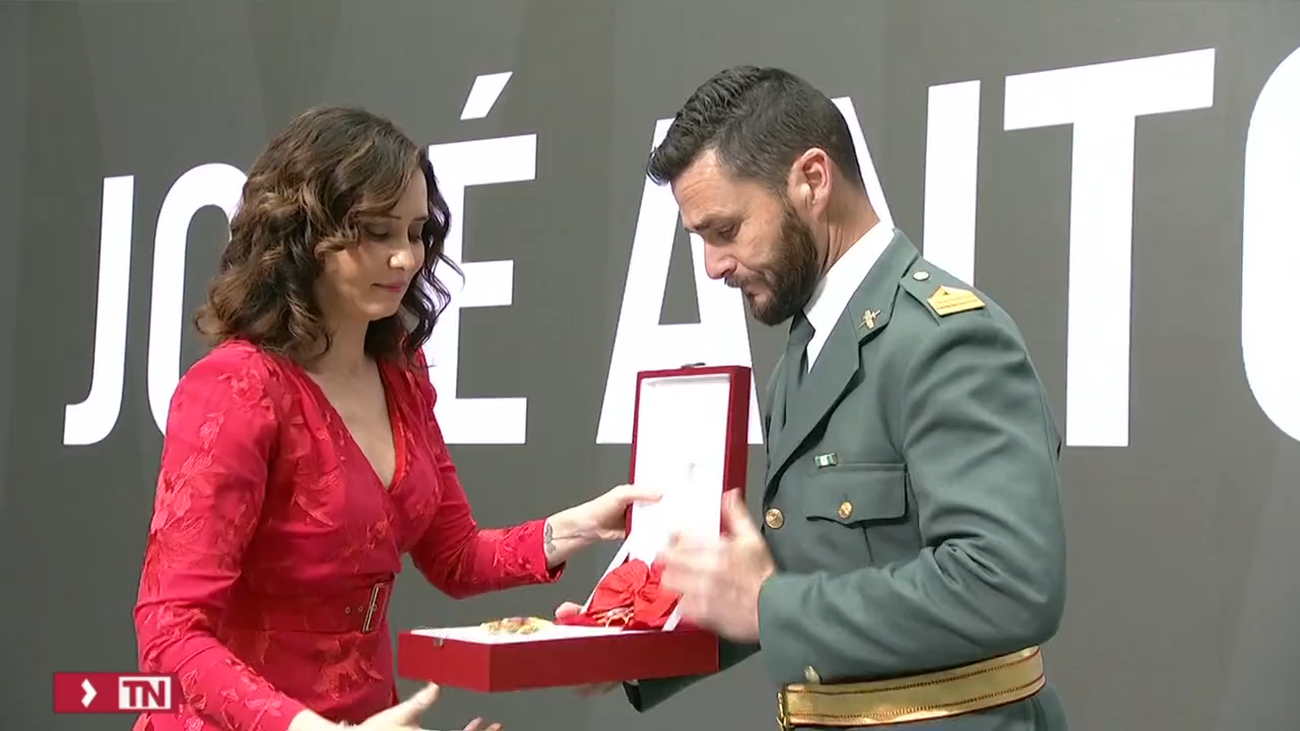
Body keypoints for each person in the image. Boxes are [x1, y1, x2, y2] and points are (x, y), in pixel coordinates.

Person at [558, 65, 1070, 729]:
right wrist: (632, 646)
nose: (712, 265)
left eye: (725, 230)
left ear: (813, 180)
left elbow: (1007, 582)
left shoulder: (948, 340)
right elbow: (806, 572)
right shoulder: (804, 354)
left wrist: (768, 605)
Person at [132, 106, 658, 731]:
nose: (406, 258)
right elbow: (169, 634)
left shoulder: (403, 374)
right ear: (302, 235)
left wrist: (576, 526)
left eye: (415, 233)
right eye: (378, 233)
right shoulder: (236, 389)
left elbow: (456, 556)